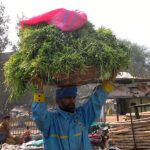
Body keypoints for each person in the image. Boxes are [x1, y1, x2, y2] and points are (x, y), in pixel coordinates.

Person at [32, 71, 118, 150]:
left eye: (73, 97)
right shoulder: (51, 121)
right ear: (58, 101)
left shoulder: (82, 116)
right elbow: (39, 115)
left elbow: (96, 102)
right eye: (68, 98)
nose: (72, 101)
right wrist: (39, 89)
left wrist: (109, 82)